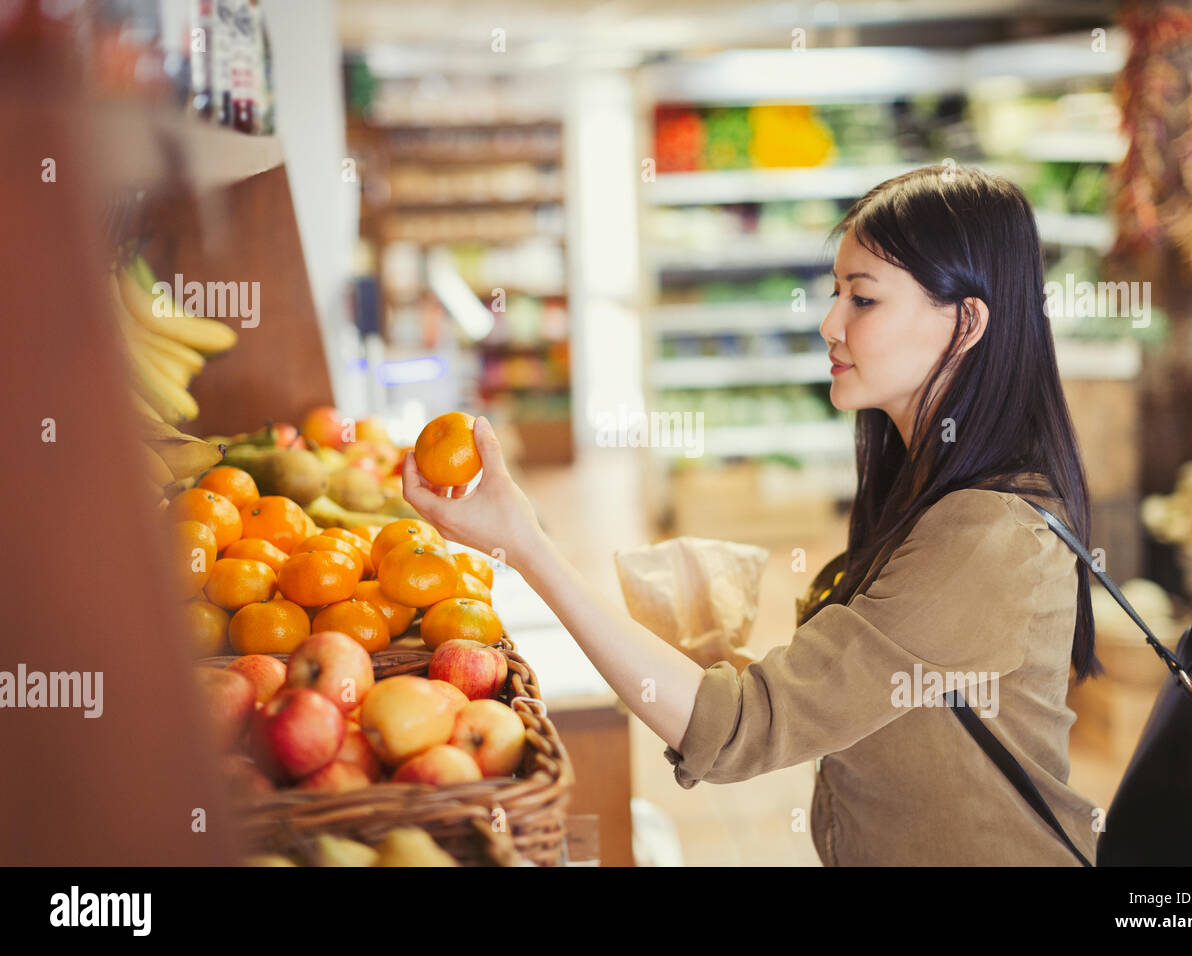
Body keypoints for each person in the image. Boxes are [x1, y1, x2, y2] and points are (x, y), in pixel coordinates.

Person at [402, 165, 1102, 866]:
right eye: (836, 293)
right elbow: (860, 696)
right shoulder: (930, 483)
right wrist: (718, 657)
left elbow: (739, 728)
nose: (830, 323)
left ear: (967, 320)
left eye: (861, 299)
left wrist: (525, 545)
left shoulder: (986, 541)